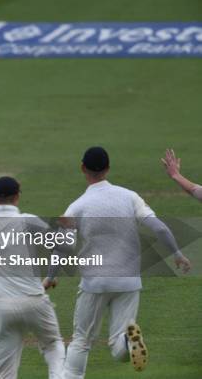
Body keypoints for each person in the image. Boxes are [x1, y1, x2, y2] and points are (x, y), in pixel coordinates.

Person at [55, 146, 191, 378]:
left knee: (81, 341)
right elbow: (159, 227)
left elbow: (61, 247)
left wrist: (50, 276)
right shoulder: (130, 197)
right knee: (118, 345)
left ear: (82, 168)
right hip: (128, 281)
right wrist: (177, 254)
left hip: (95, 283)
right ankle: (128, 341)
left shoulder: (77, 206)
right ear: (108, 169)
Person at [0, 173, 66, 379]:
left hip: (1, 307)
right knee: (53, 345)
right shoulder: (30, 221)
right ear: (17, 197)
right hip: (35, 302)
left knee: (3, 374)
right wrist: (50, 278)